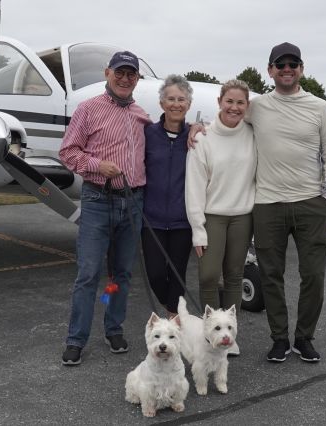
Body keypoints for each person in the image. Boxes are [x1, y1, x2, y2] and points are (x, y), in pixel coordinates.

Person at [58, 51, 151, 366]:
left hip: (133, 203)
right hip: (99, 200)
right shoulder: (88, 109)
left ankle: (113, 327)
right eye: (120, 73)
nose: (125, 79)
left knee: (120, 274)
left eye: (131, 74)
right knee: (88, 274)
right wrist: (98, 165)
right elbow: (68, 152)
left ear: (137, 78)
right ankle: (76, 339)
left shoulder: (141, 115)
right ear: (108, 73)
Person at [251, 42, 326, 363]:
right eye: (280, 65)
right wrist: (197, 131)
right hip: (267, 204)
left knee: (313, 276)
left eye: (293, 64)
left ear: (301, 69)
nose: (286, 69)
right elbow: (227, 122)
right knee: (270, 276)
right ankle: (279, 339)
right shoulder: (257, 106)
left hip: (310, 203)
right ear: (270, 70)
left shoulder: (320, 108)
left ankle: (303, 337)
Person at [185, 79, 256, 315]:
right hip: (212, 216)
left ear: (247, 105)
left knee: (234, 276)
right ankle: (210, 333)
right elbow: (194, 186)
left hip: (242, 217)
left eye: (240, 102)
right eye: (229, 101)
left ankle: (229, 335)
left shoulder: (253, 134)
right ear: (219, 102)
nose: (234, 107)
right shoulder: (203, 137)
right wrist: (197, 228)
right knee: (208, 276)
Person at [142, 75, 194, 318]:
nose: (176, 104)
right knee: (154, 273)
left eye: (181, 99)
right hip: (152, 220)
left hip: (183, 220)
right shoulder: (148, 134)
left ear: (189, 104)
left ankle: (174, 318)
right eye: (171, 99)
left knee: (177, 273)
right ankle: (171, 306)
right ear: (162, 104)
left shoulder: (195, 137)